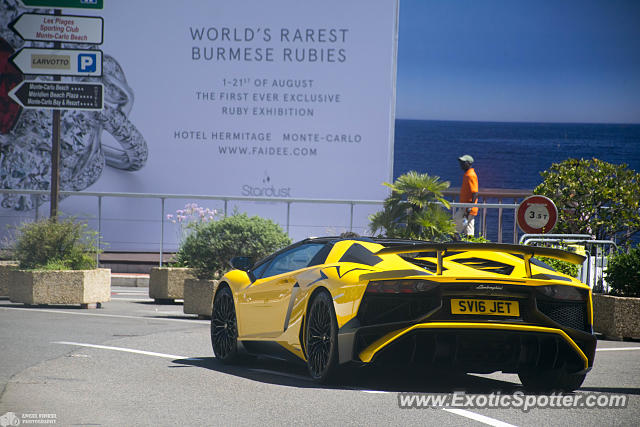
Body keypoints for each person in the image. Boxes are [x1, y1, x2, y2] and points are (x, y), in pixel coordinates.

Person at [455, 154, 479, 237]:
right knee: (469, 230)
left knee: (453, 228)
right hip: (467, 208)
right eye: (461, 162)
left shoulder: (470, 175)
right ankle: (469, 246)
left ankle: (454, 246)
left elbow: (475, 193)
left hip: (466, 208)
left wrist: (469, 207)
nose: (461, 164)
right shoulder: (468, 174)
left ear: (468, 163)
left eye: (463, 162)